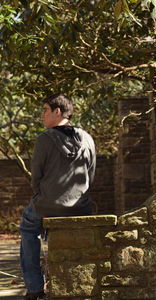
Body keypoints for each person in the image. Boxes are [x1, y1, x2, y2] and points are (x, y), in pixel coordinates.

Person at [20, 93, 96, 300]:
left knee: (28, 227)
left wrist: (41, 195)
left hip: (47, 205)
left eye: (45, 110)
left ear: (57, 111)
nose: (42, 115)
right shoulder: (87, 138)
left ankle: (35, 288)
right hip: (81, 206)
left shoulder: (44, 139)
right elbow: (91, 174)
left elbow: (37, 176)